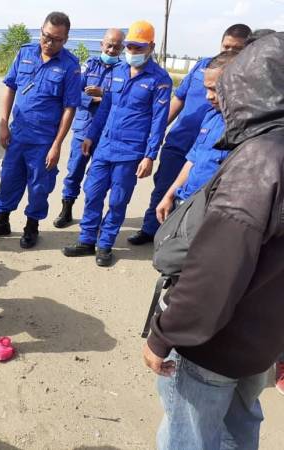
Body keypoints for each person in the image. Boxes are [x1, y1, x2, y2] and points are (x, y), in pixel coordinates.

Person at [143, 32, 284, 449]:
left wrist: (162, 335)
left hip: (215, 344)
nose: (217, 100)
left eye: (224, 90)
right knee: (240, 430)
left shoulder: (261, 159)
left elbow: (214, 271)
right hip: (263, 340)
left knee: (190, 437)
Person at [128, 23, 251, 245]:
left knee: (199, 197)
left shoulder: (244, 81)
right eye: (226, 46)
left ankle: (177, 238)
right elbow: (178, 99)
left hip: (213, 148)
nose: (229, 52)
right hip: (181, 141)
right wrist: (158, 129)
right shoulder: (202, 67)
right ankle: (150, 230)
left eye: (236, 49)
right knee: (164, 187)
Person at [62, 21, 172, 266]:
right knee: (92, 193)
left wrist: (149, 155)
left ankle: (105, 245)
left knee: (118, 200)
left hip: (131, 151)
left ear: (151, 47)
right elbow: (105, 108)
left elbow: (158, 120)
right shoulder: (117, 71)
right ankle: (87, 240)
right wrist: (91, 134)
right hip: (104, 146)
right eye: (129, 46)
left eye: (137, 47)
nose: (132, 51)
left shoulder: (160, 80)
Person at [0, 11, 81, 249]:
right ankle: (1, 220)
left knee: (39, 186)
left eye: (57, 39)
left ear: (66, 38)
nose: (49, 43)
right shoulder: (25, 53)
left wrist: (57, 145)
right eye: (46, 36)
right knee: (8, 178)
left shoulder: (70, 66)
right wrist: (3, 123)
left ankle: (32, 227)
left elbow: (69, 108)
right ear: (41, 30)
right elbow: (10, 87)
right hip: (17, 133)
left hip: (43, 141)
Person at [53, 28, 125, 228]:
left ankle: (91, 216)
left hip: (106, 133)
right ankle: (66, 209)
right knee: (74, 170)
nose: (111, 50)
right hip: (83, 128)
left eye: (116, 47)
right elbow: (74, 93)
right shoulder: (89, 66)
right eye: (109, 45)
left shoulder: (124, 71)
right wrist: (93, 99)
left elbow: (123, 99)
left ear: (122, 48)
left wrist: (104, 95)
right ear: (102, 44)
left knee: (99, 177)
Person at [155, 51, 238, 223]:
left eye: (215, 89)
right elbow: (193, 160)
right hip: (186, 202)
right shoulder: (211, 116)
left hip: (214, 213)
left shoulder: (246, 126)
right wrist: (169, 196)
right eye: (207, 88)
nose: (208, 96)